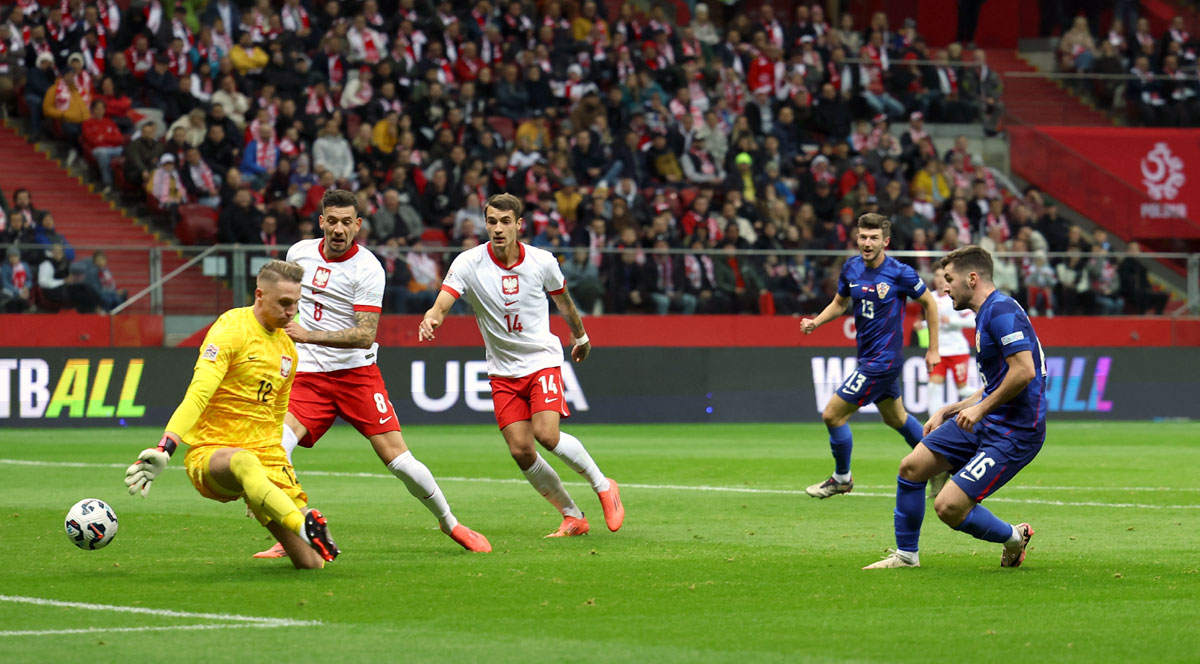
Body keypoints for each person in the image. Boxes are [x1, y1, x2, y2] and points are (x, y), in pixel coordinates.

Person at [253, 189, 490, 559]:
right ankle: (295, 532)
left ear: (358, 225)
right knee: (274, 451)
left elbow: (365, 335)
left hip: (355, 375)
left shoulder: (367, 268)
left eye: (347, 222)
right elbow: (289, 303)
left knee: (399, 461)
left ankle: (451, 523)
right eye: (332, 221)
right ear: (321, 222)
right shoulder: (298, 253)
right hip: (309, 376)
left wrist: (307, 334)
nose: (338, 229)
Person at [419, 193, 625, 538]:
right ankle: (573, 516)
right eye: (491, 222)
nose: (497, 229)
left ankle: (603, 485)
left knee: (546, 434)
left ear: (519, 225)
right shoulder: (468, 263)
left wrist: (581, 337)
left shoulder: (542, 261)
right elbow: (442, 302)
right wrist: (432, 318)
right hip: (502, 370)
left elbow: (564, 303)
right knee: (520, 449)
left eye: (504, 222)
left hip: (541, 360)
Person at [122, 261, 339, 569]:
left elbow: (275, 420)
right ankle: (301, 524)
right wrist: (165, 447)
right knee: (243, 461)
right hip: (214, 456)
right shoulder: (230, 330)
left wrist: (264, 485)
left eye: (296, 304)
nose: (292, 312)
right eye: (285, 303)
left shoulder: (288, 350)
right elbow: (198, 394)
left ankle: (274, 504)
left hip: (265, 459)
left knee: (313, 563)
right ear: (260, 295)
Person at [864, 246, 1043, 569]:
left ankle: (1014, 538)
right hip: (988, 420)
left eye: (949, 279)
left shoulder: (1001, 311)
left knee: (949, 507)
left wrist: (979, 410)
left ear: (972, 279)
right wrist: (953, 408)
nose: (944, 288)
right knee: (912, 467)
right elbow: (997, 381)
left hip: (1014, 432)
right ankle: (906, 556)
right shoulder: (988, 312)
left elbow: (1024, 371)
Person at [800, 214, 941, 498]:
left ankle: (842, 478)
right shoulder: (851, 268)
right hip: (868, 358)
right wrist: (817, 321)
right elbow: (840, 303)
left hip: (883, 361)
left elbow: (929, 302)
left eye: (874, 238)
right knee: (897, 419)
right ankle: (940, 464)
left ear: (885, 241)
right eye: (863, 237)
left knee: (832, 415)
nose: (867, 242)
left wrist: (933, 348)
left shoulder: (899, 273)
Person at [921, 265, 977, 498]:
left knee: (964, 389)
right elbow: (930, 323)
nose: (938, 280)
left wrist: (951, 322)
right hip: (939, 351)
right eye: (935, 276)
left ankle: (978, 410)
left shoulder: (958, 299)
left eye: (942, 276)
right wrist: (922, 326)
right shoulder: (930, 300)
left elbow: (971, 322)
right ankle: (938, 422)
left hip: (957, 350)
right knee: (934, 385)